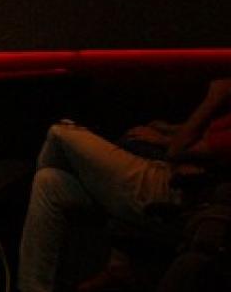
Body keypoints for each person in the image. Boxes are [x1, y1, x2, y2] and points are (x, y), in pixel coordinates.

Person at [18, 78, 231, 292]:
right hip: (164, 172)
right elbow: (202, 135)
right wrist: (165, 132)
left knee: (60, 132)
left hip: (174, 190)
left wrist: (213, 98)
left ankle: (118, 255)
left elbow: (180, 150)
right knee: (48, 181)